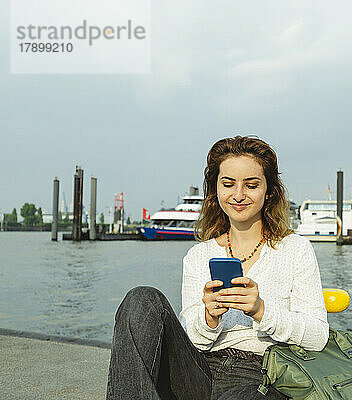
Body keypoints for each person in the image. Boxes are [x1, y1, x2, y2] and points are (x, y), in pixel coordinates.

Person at [106, 136, 329, 400]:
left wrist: (261, 311)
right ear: (216, 190)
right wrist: (210, 318)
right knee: (140, 300)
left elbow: (317, 337)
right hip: (197, 370)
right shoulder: (199, 255)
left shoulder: (295, 249)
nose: (238, 195)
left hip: (262, 375)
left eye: (251, 185)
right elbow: (192, 338)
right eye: (228, 184)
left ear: (269, 191)